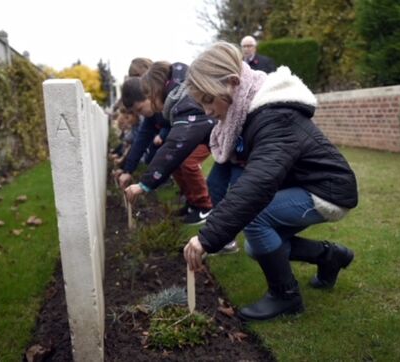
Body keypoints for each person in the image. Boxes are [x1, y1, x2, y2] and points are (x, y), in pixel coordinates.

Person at [183, 42, 358, 322]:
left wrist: (208, 237)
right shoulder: (250, 111)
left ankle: (285, 296)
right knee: (257, 247)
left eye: (207, 99)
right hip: (308, 185)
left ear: (232, 83)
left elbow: (259, 181)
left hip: (328, 190)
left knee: (255, 218)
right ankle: (329, 257)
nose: (207, 111)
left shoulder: (274, 115)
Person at [124, 61, 214, 225]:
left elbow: (176, 143)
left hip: (222, 139)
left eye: (148, 99)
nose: (142, 113)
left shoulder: (183, 102)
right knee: (177, 163)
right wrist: (128, 168)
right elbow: (143, 139)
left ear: (153, 92)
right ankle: (193, 203)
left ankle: (204, 207)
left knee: (187, 162)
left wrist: (144, 184)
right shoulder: (175, 97)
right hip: (205, 136)